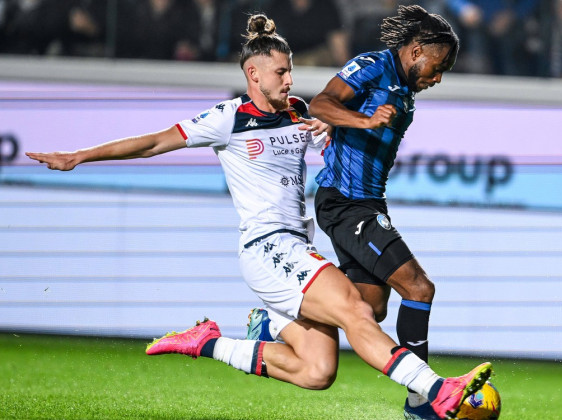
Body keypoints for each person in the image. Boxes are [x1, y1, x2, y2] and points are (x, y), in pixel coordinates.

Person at [26, 13, 492, 420]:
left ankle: (211, 342)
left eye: (289, 71)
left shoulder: (298, 114)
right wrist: (80, 156)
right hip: (267, 247)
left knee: (318, 370)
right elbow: (152, 142)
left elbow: (329, 134)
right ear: (253, 73)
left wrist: (333, 132)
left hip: (298, 247)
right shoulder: (228, 118)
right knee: (356, 311)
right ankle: (433, 391)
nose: (291, 80)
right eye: (281, 72)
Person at [301, 5, 462, 420]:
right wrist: (364, 120)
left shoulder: (406, 92)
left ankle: (281, 313)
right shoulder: (373, 65)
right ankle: (422, 400)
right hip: (344, 201)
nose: (438, 77)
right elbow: (320, 103)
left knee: (368, 309)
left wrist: (355, 124)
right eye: (437, 66)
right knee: (419, 288)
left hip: (367, 202)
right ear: (416, 51)